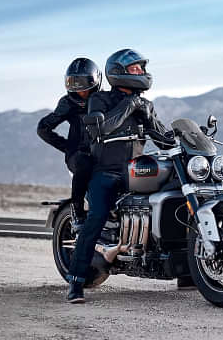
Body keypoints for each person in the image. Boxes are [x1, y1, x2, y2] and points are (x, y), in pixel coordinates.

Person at [66, 49, 169, 303]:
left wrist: (184, 138)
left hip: (137, 171)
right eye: (135, 69)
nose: (141, 72)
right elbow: (104, 128)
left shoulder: (146, 105)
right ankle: (76, 282)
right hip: (106, 172)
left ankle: (186, 270)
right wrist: (129, 105)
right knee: (96, 219)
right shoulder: (99, 100)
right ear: (119, 73)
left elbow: (164, 140)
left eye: (141, 68)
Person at [37, 58, 102, 231]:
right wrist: (67, 147)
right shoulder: (68, 103)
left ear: (94, 81)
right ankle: (78, 212)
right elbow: (43, 128)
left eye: (82, 83)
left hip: (103, 153)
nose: (79, 89)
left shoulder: (105, 100)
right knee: (83, 165)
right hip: (78, 155)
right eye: (74, 82)